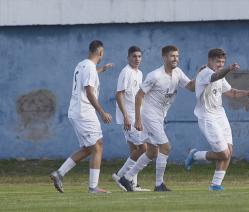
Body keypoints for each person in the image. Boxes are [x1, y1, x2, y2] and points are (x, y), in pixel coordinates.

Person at [118, 45, 195, 192]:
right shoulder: (155, 75)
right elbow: (139, 95)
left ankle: (126, 178)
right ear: (164, 57)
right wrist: (138, 119)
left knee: (152, 151)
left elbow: (191, 87)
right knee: (166, 147)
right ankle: (159, 184)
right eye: (172, 56)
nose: (175, 59)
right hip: (149, 115)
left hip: (159, 116)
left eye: (177, 56)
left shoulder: (177, 72)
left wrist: (200, 75)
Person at [184, 48, 249, 191]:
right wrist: (229, 69)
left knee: (229, 151)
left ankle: (215, 185)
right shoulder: (205, 73)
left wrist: (246, 93)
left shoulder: (220, 76)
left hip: (220, 115)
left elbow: (231, 92)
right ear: (210, 60)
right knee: (223, 154)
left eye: (223, 62)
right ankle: (195, 155)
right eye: (218, 61)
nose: (220, 64)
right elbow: (215, 76)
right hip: (207, 117)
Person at [50, 40, 113, 194]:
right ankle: (93, 187)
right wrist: (102, 112)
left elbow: (87, 76)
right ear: (100, 52)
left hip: (76, 111)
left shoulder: (82, 65)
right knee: (98, 146)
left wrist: (101, 70)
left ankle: (59, 173)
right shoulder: (90, 68)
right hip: (84, 112)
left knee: (88, 148)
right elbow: (90, 92)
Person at [112, 46, 150, 192]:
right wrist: (126, 116)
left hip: (137, 116)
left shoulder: (139, 73)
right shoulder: (126, 72)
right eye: (134, 56)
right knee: (143, 148)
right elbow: (119, 94)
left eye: (139, 56)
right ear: (128, 57)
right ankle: (120, 175)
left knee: (135, 150)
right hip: (129, 118)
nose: (137, 59)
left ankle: (133, 184)